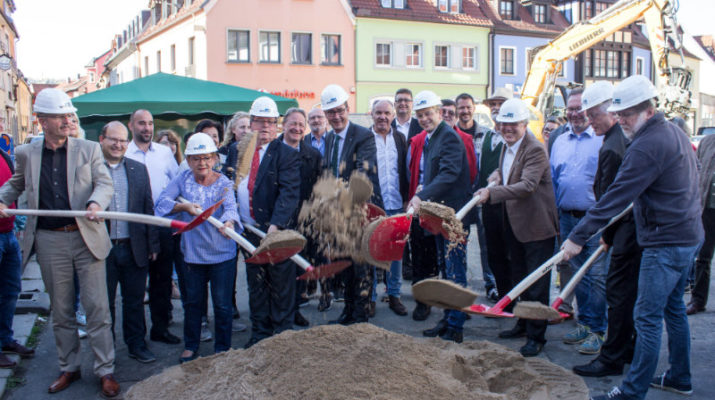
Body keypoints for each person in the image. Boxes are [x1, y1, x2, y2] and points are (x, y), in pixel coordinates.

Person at [563, 75, 703, 400]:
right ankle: (680, 377)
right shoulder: (674, 133)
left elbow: (615, 197)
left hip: (665, 244)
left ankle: (631, 392)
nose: (621, 119)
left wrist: (579, 236)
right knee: (673, 310)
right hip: (686, 237)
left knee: (647, 317)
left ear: (648, 111)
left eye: (626, 113)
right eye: (619, 113)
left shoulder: (647, 144)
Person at [0, 88, 119, 396]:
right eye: (61, 116)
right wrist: (1, 200)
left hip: (85, 237)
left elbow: (104, 183)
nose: (68, 121)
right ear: (42, 121)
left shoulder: (88, 149)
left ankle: (105, 370)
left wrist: (95, 203)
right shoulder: (27, 153)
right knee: (62, 311)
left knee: (97, 309)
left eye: (69, 115)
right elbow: (16, 183)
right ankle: (70, 368)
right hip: (50, 241)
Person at [474, 98, 559, 357]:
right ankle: (523, 323)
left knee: (536, 284)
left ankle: (537, 336)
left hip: (536, 227)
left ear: (524, 124)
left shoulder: (535, 148)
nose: (507, 129)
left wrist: (493, 193)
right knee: (520, 279)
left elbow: (527, 185)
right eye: (503, 124)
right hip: (515, 224)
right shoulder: (507, 145)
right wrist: (497, 176)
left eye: (513, 124)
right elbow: (509, 172)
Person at [570, 82, 641, 377]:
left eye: (593, 116)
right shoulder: (615, 140)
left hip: (626, 233)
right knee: (623, 293)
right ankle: (626, 349)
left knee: (618, 293)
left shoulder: (613, 147)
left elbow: (613, 201)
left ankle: (612, 357)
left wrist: (602, 234)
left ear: (609, 113)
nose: (589, 121)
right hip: (623, 230)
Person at [155, 133, 239, 363]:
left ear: (214, 159)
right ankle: (191, 345)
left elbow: (231, 208)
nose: (202, 163)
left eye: (206, 157)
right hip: (192, 255)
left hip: (222, 253)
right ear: (189, 160)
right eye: (196, 158)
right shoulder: (182, 180)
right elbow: (161, 203)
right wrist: (182, 206)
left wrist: (229, 222)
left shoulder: (224, 182)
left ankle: (223, 347)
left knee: (222, 305)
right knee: (193, 303)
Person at [407, 90, 471, 343]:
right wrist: (424, 187)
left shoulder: (448, 137)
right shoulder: (432, 137)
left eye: (428, 113)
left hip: (452, 215)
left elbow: (449, 174)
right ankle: (448, 319)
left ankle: (455, 327)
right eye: (420, 115)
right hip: (438, 215)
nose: (424, 119)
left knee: (455, 271)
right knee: (445, 270)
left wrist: (423, 195)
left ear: (439, 112)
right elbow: (436, 173)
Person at [238, 97, 300, 348]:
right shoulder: (239, 149)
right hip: (247, 231)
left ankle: (282, 335)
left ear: (277, 126)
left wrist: (275, 226)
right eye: (260, 121)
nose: (264, 127)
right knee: (256, 283)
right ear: (251, 123)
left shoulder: (285, 154)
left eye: (270, 122)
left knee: (281, 283)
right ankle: (260, 333)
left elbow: (289, 193)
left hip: (275, 231)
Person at [550, 88, 608, 355]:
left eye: (579, 108)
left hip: (594, 219)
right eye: (570, 109)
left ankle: (598, 330)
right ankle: (584, 323)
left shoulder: (601, 139)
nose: (574, 113)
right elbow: (554, 179)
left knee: (595, 276)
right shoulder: (560, 140)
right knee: (577, 275)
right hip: (566, 216)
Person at [322, 84, 383, 325]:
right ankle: (347, 311)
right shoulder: (329, 138)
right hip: (337, 214)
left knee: (360, 268)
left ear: (348, 109)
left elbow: (363, 173)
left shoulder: (363, 135)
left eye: (339, 111)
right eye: (331, 112)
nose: (336, 116)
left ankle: (359, 318)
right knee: (344, 266)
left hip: (359, 211)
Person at [99, 121, 159, 364]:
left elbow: (148, 208)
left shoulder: (137, 168)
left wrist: (152, 245)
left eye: (123, 140)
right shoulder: (92, 169)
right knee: (104, 305)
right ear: (102, 139)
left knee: (134, 301)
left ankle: (136, 344)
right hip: (101, 249)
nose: (118, 144)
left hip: (133, 247)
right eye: (113, 139)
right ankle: (106, 350)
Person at [125, 109, 182, 346]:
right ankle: (136, 338)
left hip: (162, 225)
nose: (146, 128)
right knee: (135, 287)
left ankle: (160, 328)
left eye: (149, 123)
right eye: (141, 123)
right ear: (131, 126)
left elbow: (177, 182)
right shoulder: (124, 152)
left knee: (162, 280)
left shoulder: (164, 154)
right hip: (134, 228)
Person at [446, 96, 497, 301]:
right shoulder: (451, 134)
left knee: (486, 244)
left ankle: (491, 284)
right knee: (459, 243)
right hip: (461, 199)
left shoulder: (486, 134)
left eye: (468, 107)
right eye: (461, 108)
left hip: (483, 197)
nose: (465, 111)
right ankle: (461, 287)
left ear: (474, 108)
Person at [277, 107, 322, 327]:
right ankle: (277, 311)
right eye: (292, 123)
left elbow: (317, 188)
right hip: (278, 220)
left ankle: (294, 309)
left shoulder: (312, 155)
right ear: (284, 125)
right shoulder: (273, 151)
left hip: (304, 221)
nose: (296, 128)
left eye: (300, 125)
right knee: (278, 268)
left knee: (297, 267)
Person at [369, 99, 409, 317]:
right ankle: (372, 297)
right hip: (374, 204)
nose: (382, 117)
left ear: (393, 116)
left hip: (396, 204)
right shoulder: (365, 138)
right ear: (372, 115)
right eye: (378, 113)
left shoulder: (400, 138)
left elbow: (404, 170)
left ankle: (394, 294)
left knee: (395, 253)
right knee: (372, 252)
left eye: (387, 113)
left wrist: (405, 197)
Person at [0, 143, 35, 369]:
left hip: (8, 233)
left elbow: (14, 186)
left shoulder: (3, 154)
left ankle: (5, 339)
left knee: (11, 291)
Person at [302, 107, 335, 311]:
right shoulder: (304, 141)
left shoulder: (334, 140)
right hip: (308, 204)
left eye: (319, 117)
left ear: (326, 120)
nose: (316, 120)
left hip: (330, 202)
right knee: (307, 247)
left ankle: (327, 291)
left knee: (325, 250)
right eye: (312, 118)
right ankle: (309, 284)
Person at [479, 89, 509, 304]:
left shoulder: (514, 137)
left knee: (508, 252)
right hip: (486, 201)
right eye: (493, 104)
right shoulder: (487, 134)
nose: (496, 108)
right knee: (490, 250)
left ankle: (511, 294)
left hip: (507, 204)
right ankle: (495, 288)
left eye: (501, 103)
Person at [688, 129, 715, 315]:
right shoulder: (707, 142)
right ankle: (698, 300)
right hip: (708, 209)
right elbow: (696, 170)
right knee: (703, 257)